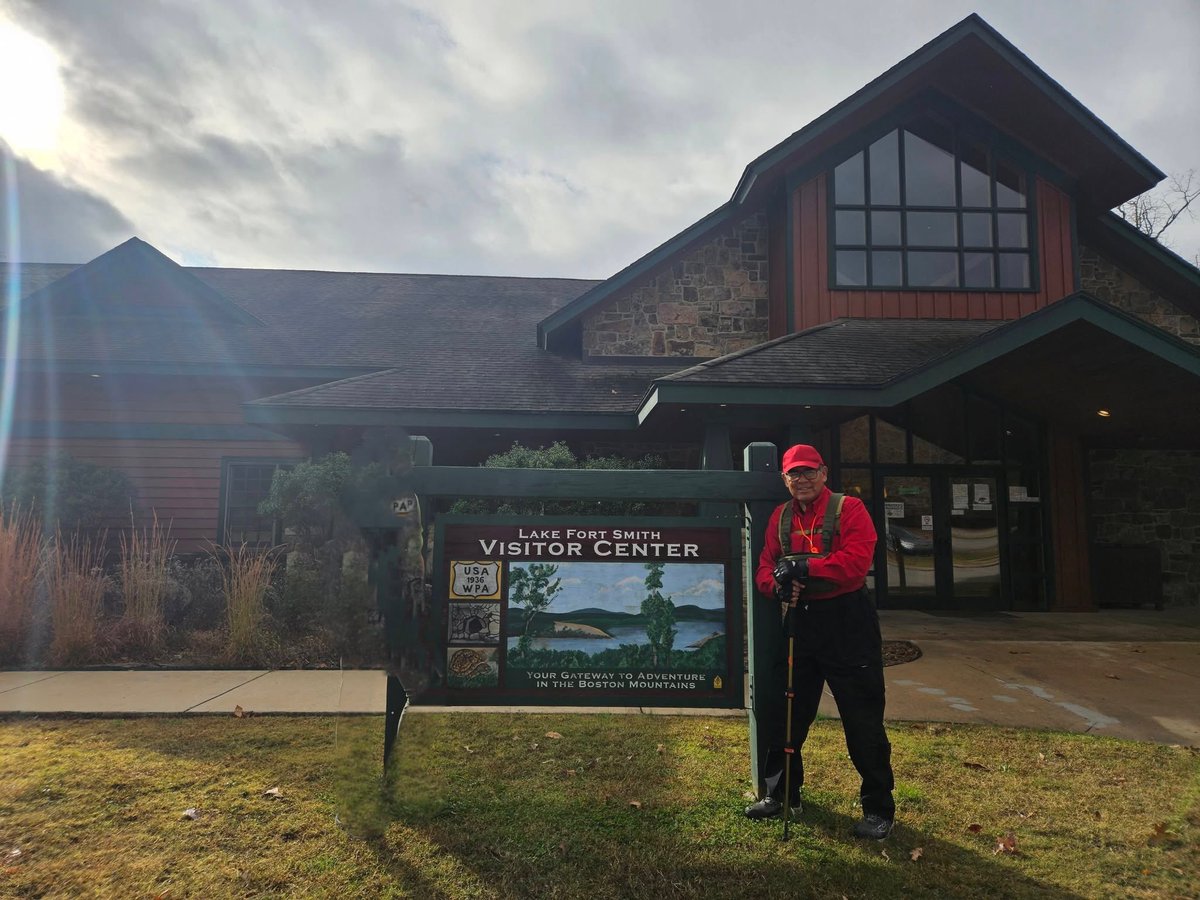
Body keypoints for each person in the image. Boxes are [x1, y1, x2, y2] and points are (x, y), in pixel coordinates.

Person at [745, 443, 895, 839]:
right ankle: (782, 794)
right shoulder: (779, 517)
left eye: (809, 471)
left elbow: (855, 564)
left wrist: (805, 566)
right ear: (784, 479)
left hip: (848, 621)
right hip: (801, 622)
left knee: (862, 719)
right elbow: (764, 565)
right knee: (787, 712)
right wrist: (774, 585)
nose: (802, 479)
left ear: (824, 473)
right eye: (794, 473)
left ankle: (879, 809)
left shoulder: (850, 509)